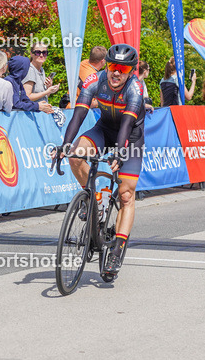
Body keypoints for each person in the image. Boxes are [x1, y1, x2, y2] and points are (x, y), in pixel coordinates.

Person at [58, 44, 146, 278]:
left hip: (130, 137)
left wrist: (118, 153)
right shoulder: (94, 80)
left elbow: (127, 126)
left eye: (122, 68)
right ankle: (95, 201)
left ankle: (117, 250)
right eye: (112, 67)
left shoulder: (136, 88)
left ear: (130, 71)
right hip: (104, 129)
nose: (116, 72)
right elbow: (79, 114)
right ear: (106, 66)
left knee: (126, 195)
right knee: (75, 155)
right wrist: (66, 144)